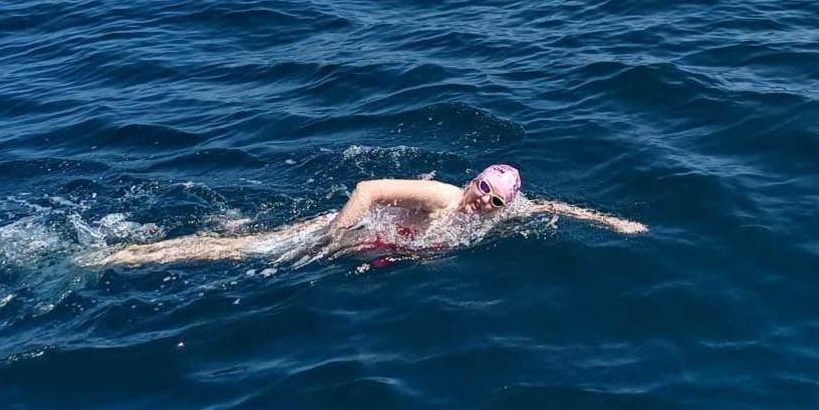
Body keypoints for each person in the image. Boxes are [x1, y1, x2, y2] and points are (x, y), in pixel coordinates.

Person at [98, 164, 646, 266]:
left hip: (379, 246)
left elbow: (554, 207)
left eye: (494, 199)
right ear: (473, 180)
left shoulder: (499, 216)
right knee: (243, 250)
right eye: (481, 187)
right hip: (347, 231)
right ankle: (126, 255)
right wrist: (335, 236)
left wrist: (613, 223)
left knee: (245, 243)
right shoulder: (445, 198)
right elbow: (368, 186)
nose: (482, 200)